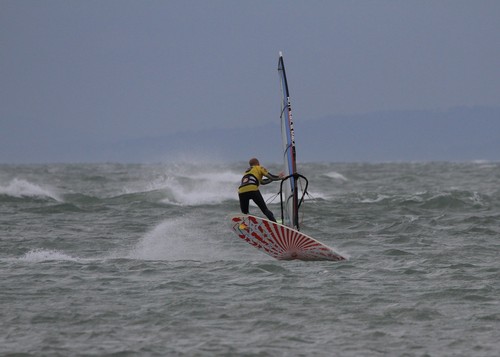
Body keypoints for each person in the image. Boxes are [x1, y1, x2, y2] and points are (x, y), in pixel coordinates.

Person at [238, 158, 283, 222]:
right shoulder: (259, 167)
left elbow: (263, 182)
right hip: (252, 189)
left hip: (241, 191)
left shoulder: (247, 171)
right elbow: (271, 177)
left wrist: (273, 179)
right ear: (258, 163)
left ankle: (246, 225)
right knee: (265, 210)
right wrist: (280, 177)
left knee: (245, 213)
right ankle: (275, 223)